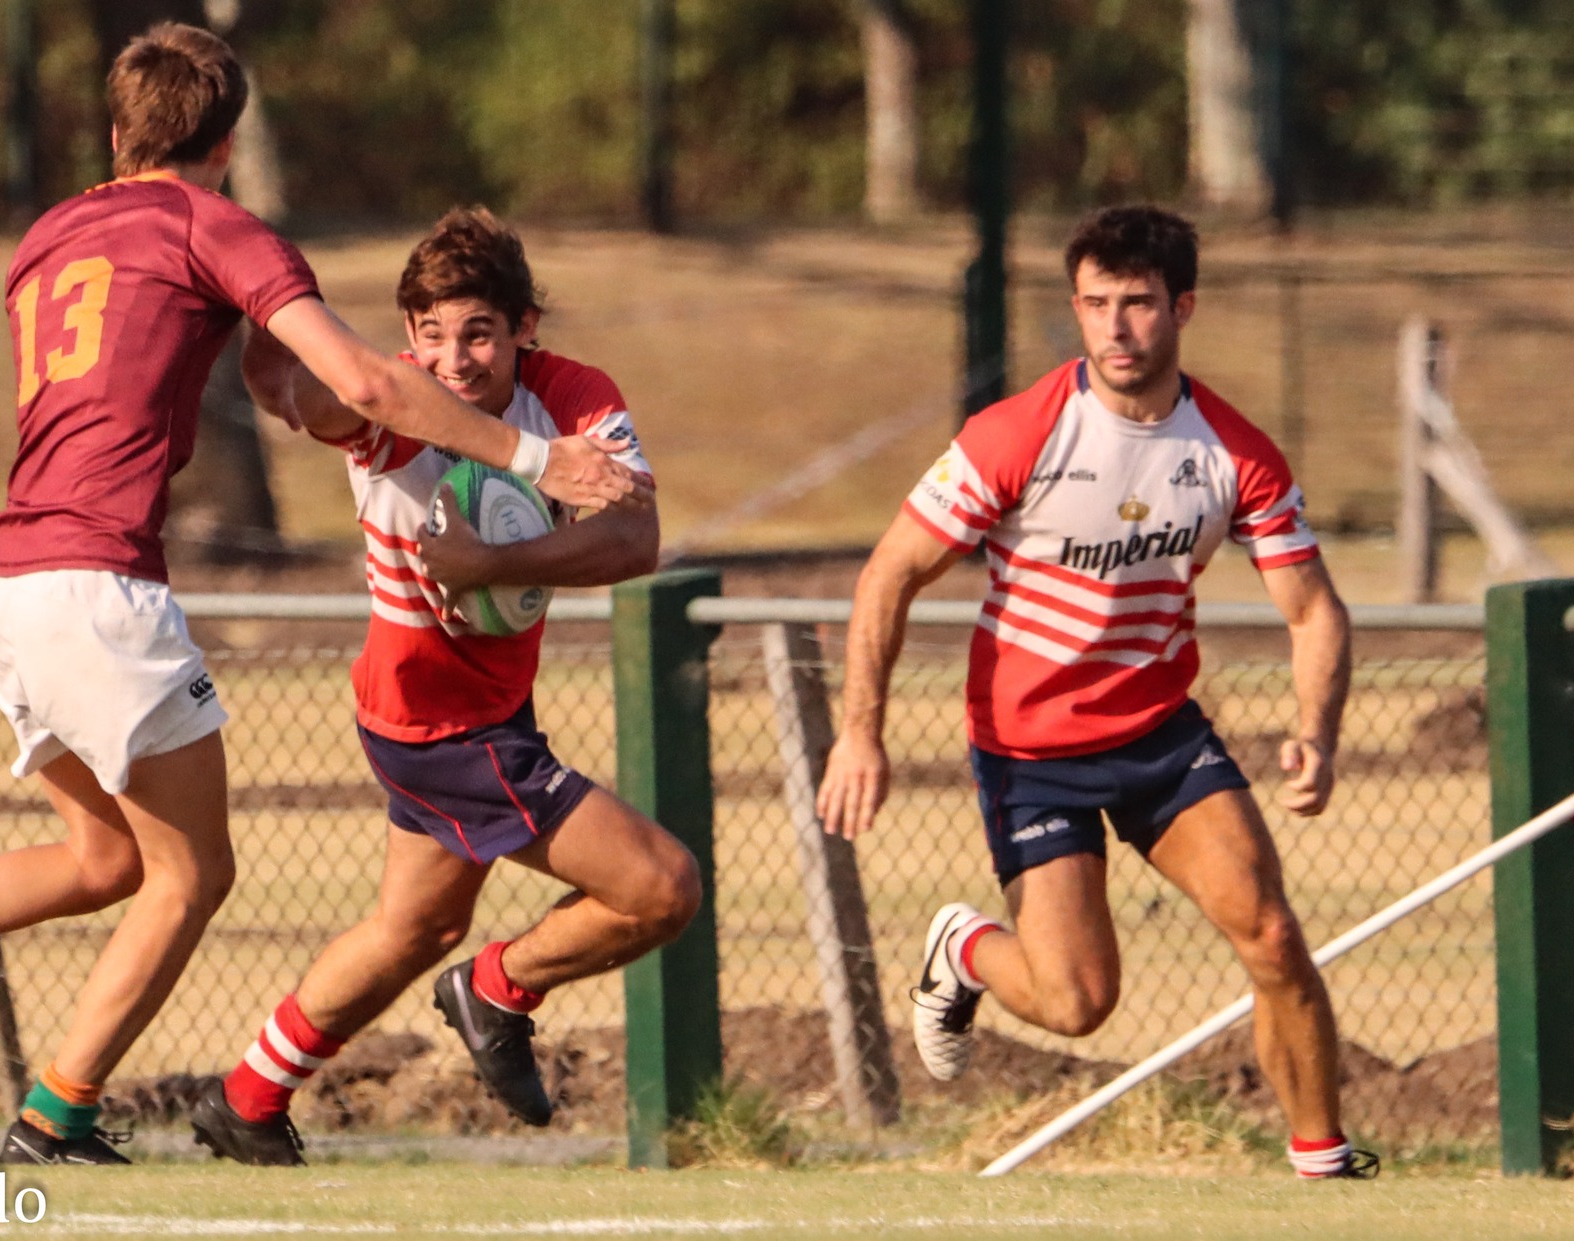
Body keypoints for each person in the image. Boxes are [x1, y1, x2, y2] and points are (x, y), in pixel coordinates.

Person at [0, 25, 636, 1167]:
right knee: (194, 874)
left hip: (8, 583)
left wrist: (272, 359)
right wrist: (537, 461)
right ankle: (52, 1120)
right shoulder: (214, 226)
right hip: (100, 587)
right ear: (227, 142)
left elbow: (235, 363)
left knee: (103, 861)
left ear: (115, 134)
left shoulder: (47, 236)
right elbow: (367, 381)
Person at [816, 205, 1375, 1180]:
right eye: (1094, 303)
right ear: (1075, 307)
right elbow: (889, 573)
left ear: (1182, 307)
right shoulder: (1015, 434)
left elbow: (1314, 608)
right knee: (1077, 1002)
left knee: (1271, 931)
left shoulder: (1233, 452)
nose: (1115, 327)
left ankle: (1322, 1158)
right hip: (1030, 751)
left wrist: (1316, 733)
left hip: (1161, 736)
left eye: (1138, 303)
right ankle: (966, 949)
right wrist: (860, 732)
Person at [186, 207, 700, 1165]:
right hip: (437, 722)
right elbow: (305, 394)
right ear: (408, 336)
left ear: (524, 328)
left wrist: (489, 565)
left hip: (487, 707)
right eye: (431, 335)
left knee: (413, 927)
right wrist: (265, 326)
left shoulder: (573, 395)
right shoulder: (394, 408)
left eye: (478, 333)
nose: (454, 360)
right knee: (661, 887)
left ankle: (246, 1100)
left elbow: (637, 538)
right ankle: (498, 989)